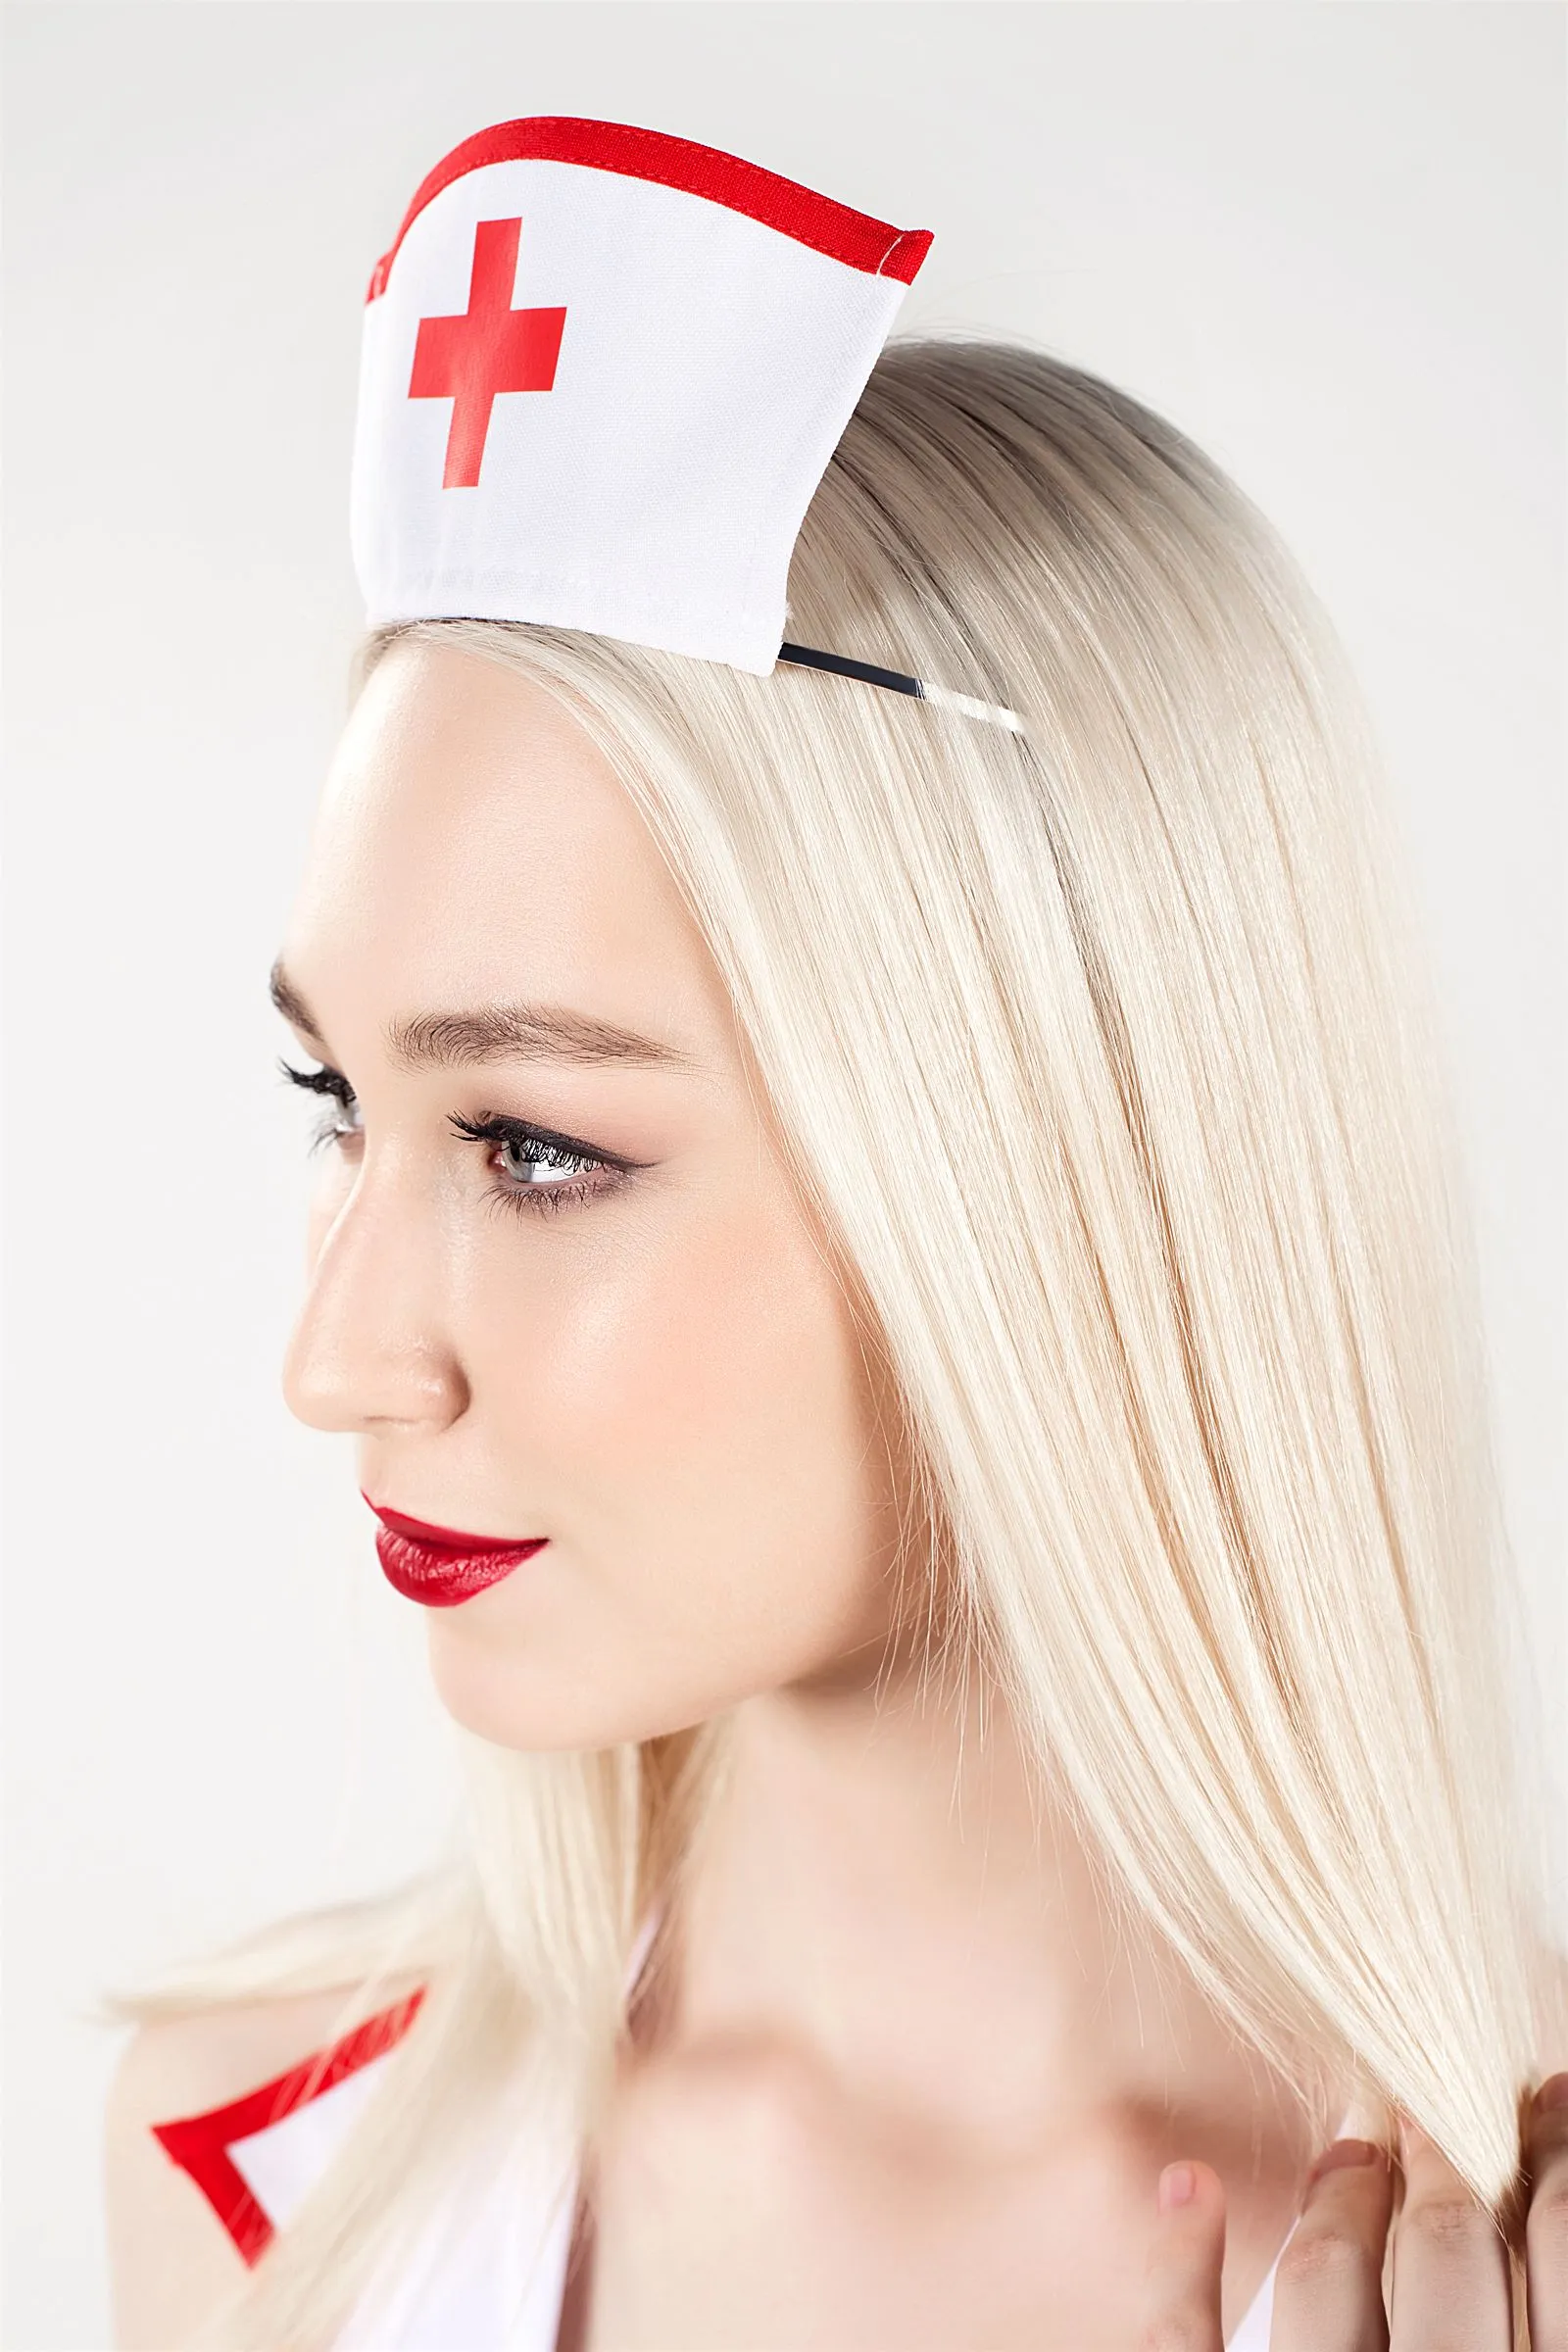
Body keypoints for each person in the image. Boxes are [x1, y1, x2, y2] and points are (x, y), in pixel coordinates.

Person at [103, 118, 1567, 2349]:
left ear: (1047, 1165)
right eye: (341, 1106)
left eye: (530, 1146)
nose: (341, 1361)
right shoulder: (266, 2186)